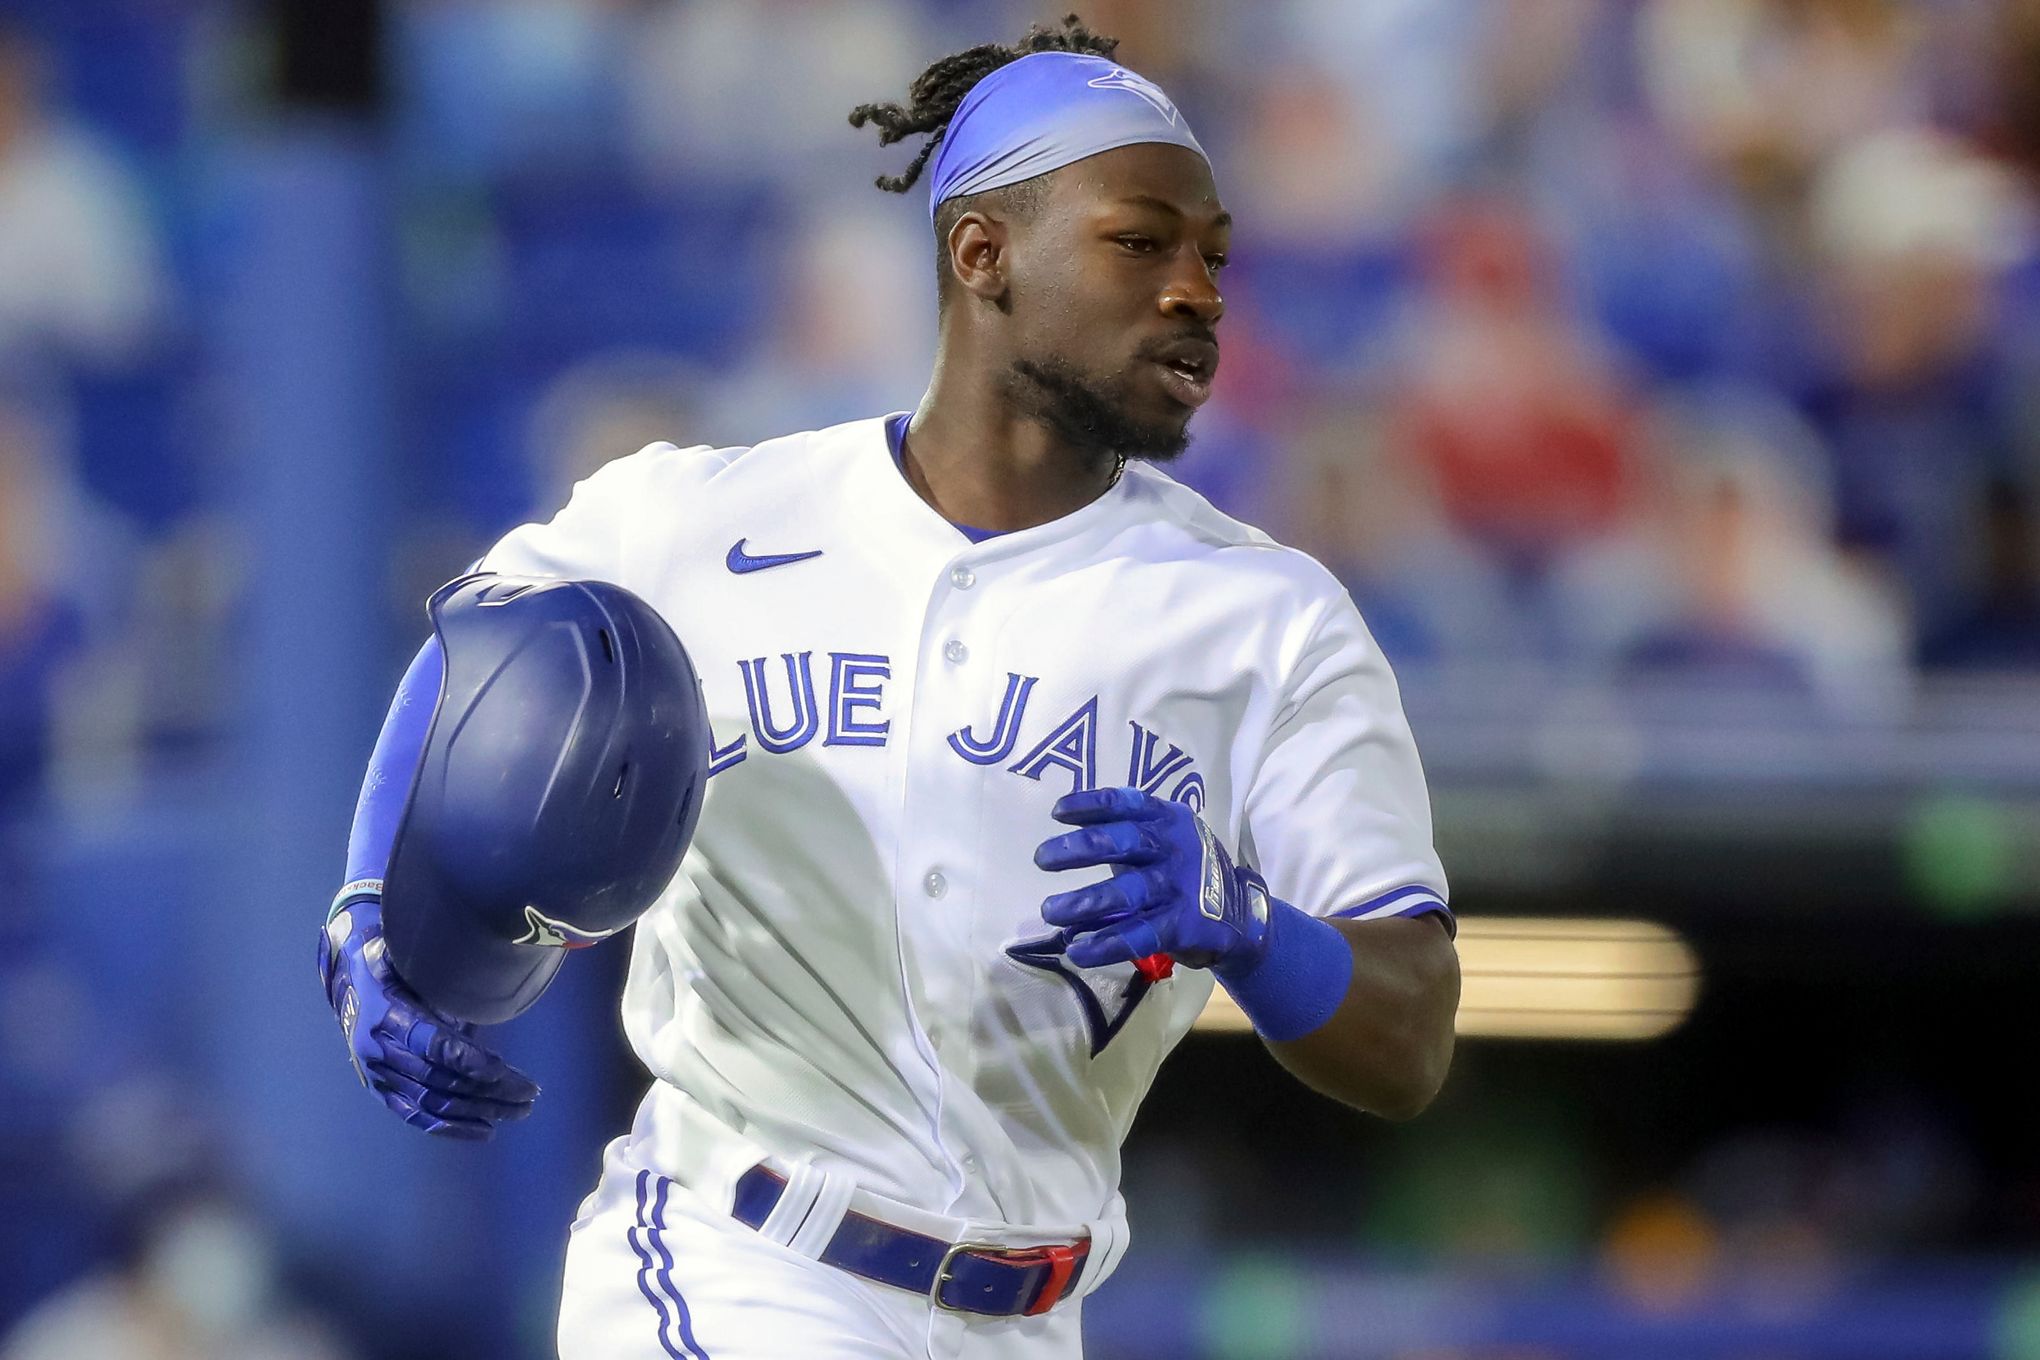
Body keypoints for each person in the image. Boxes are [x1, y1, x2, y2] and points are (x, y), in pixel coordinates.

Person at [319, 17, 1460, 1358]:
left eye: (1212, 255)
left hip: (1031, 1317)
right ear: (982, 255)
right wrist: (362, 915)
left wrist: (1251, 926)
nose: (1195, 292)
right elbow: (474, 654)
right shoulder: (697, 520)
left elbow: (1412, 1034)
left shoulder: (1271, 625)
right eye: (1139, 243)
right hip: (734, 1262)